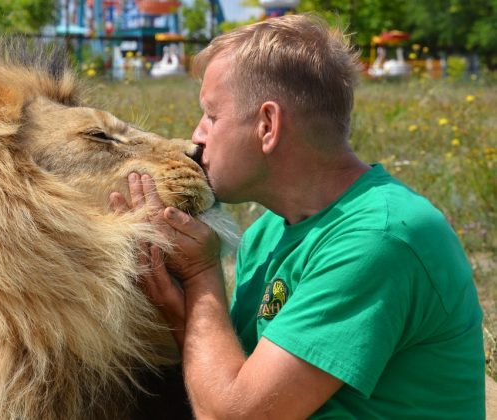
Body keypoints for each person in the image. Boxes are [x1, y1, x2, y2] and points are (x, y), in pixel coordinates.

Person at [110, 13, 485, 419]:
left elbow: (235, 416)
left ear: (268, 125)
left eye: (212, 116)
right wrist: (178, 308)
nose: (195, 137)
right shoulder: (270, 230)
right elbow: (226, 381)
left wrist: (202, 279)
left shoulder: (378, 239)